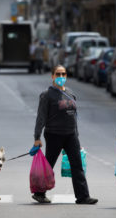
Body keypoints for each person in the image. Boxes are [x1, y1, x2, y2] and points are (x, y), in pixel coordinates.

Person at [30, 65, 98, 205]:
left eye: (63, 74)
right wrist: (37, 137)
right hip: (54, 134)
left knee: (77, 165)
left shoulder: (70, 93)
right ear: (52, 76)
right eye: (58, 74)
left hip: (71, 135)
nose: (61, 77)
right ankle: (39, 193)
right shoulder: (47, 95)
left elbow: (74, 115)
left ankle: (83, 196)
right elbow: (41, 117)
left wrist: (76, 134)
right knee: (48, 165)